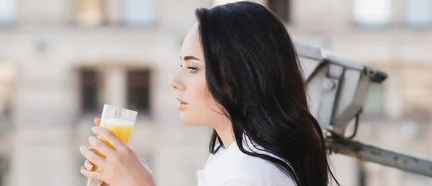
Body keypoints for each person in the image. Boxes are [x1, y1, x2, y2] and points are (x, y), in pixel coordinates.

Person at [79, 1, 340, 186]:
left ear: (239, 76)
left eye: (193, 68)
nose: (175, 81)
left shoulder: (252, 174)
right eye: (182, 65)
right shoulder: (230, 155)